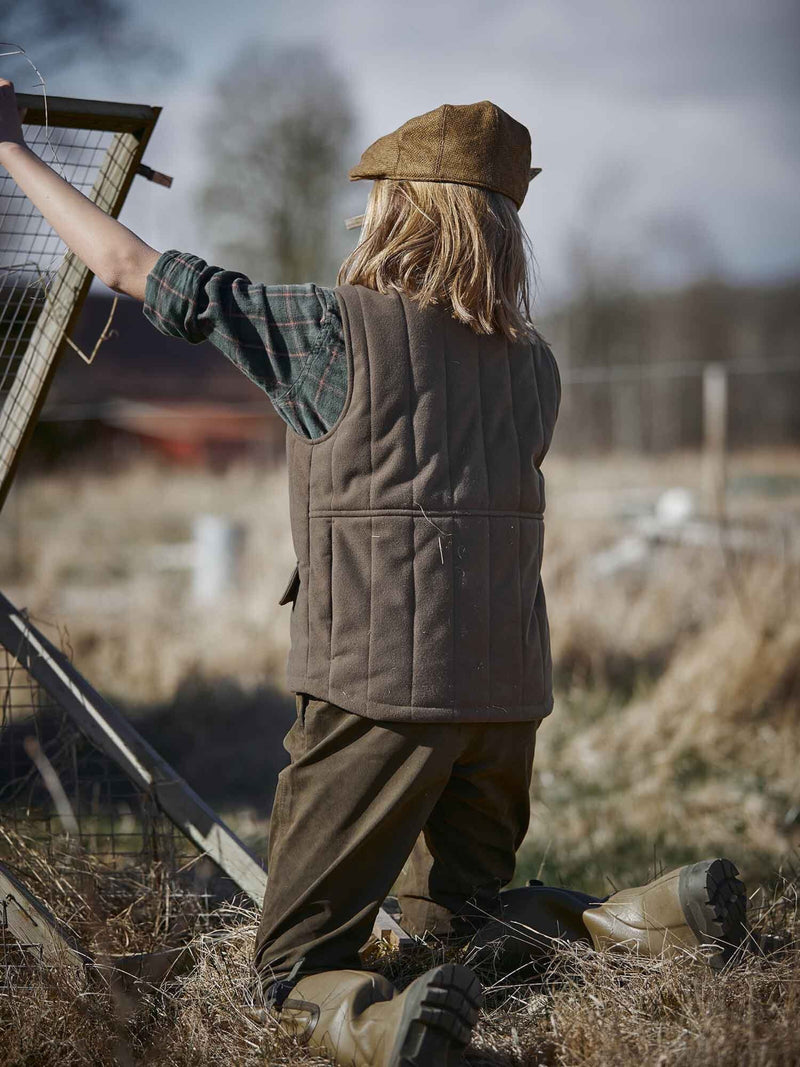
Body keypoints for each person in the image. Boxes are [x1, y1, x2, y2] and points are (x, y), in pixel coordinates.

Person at [0, 85, 748, 1067]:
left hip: (375, 698)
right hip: (507, 698)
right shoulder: (534, 364)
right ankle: (646, 919)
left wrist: (11, 148)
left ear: (401, 210)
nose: (359, 214)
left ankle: (384, 1029)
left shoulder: (322, 331)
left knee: (289, 961)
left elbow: (125, 263)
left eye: (374, 198)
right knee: (462, 925)